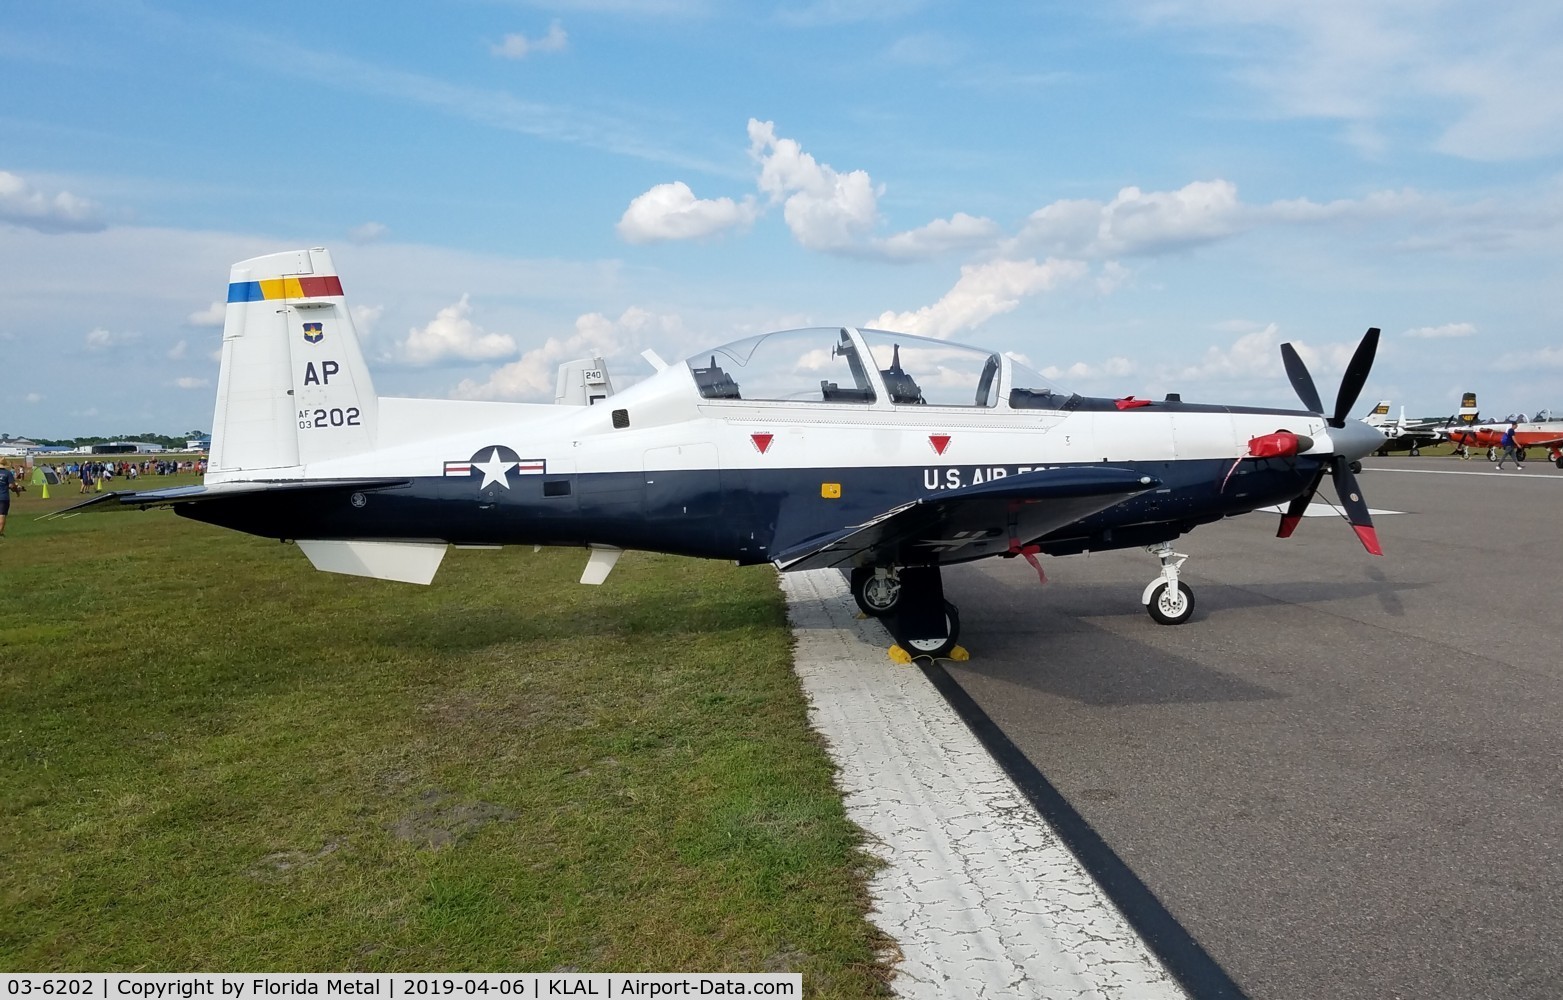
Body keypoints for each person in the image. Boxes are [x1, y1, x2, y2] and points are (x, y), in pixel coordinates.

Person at [0, 459, 18, 537]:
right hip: (3, 497)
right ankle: (0, 532)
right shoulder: (8, 473)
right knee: (2, 515)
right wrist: (16, 489)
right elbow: (11, 486)